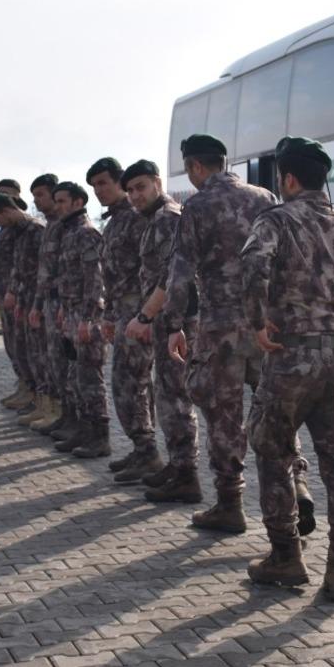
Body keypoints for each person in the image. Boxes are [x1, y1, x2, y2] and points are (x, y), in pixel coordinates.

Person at [161, 134, 311, 534]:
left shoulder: (197, 207)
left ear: (195, 166)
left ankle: (230, 503)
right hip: (266, 325)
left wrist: (174, 324)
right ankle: (296, 482)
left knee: (223, 416)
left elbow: (180, 273)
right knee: (276, 409)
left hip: (219, 329)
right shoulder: (264, 197)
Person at [241, 137, 334, 603]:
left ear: (287, 179)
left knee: (272, 452)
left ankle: (286, 557)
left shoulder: (275, 219)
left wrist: (257, 320)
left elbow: (254, 261)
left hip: (290, 356)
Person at [121, 161, 203, 500]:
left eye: (140, 187)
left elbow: (173, 277)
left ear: (157, 182)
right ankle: (178, 465)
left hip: (177, 325)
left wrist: (145, 316)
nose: (135, 196)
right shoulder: (154, 221)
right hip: (166, 324)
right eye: (129, 191)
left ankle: (187, 476)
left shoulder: (169, 219)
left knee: (176, 399)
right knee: (168, 397)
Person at [86, 158, 162, 480]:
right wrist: (109, 315)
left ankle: (148, 452)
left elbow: (150, 271)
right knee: (127, 386)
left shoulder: (137, 219)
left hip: (139, 314)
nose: (99, 191)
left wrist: (145, 316)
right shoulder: (115, 221)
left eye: (104, 183)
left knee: (132, 385)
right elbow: (112, 275)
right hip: (123, 313)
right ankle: (141, 450)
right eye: (94, 187)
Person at [51, 181, 110, 459]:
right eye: (57, 201)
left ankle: (100, 437)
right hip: (73, 313)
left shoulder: (86, 233)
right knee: (76, 377)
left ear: (78, 202)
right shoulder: (68, 233)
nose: (58, 206)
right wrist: (65, 309)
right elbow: (69, 277)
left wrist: (88, 318)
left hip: (88, 317)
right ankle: (85, 430)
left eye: (62, 201)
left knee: (90, 378)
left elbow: (95, 279)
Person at [25, 173, 64, 431]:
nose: (37, 201)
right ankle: (51, 409)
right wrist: (37, 305)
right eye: (34, 196)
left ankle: (61, 413)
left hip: (64, 306)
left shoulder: (64, 226)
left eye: (40, 195)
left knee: (63, 364)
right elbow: (43, 271)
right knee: (48, 359)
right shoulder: (50, 225)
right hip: (47, 302)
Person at [0, 178, 31, 409]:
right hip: (5, 294)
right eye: (0, 193)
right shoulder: (4, 228)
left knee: (24, 344)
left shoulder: (23, 226)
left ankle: (31, 390)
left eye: (9, 193)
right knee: (12, 343)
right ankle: (23, 385)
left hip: (19, 296)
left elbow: (23, 265)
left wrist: (13, 291)